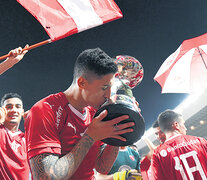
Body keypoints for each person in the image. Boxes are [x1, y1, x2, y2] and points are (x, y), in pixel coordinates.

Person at [25, 47, 136, 180]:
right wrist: (90, 136)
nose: (108, 95)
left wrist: (117, 129)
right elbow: (46, 177)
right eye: (104, 88)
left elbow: (102, 167)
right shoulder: (45, 109)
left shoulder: (96, 112)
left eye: (111, 87)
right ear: (82, 83)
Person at [151, 109, 207, 180]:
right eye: (183, 124)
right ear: (176, 125)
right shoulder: (200, 141)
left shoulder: (158, 155)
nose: (185, 128)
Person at [0, 93, 30, 180]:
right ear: (2, 110)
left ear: (22, 112)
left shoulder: (27, 140)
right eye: (9, 107)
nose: (14, 110)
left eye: (18, 106)